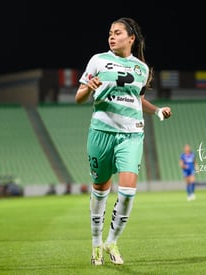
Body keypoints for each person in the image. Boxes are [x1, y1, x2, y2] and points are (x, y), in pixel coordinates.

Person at [75, 17, 172, 266]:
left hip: (131, 134)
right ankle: (96, 243)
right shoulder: (98, 60)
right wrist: (89, 87)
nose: (112, 36)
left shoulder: (142, 68)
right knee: (100, 191)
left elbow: (137, 99)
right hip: (101, 132)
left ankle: (112, 241)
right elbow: (78, 98)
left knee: (128, 192)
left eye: (117, 32)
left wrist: (157, 110)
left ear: (131, 39)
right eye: (110, 32)